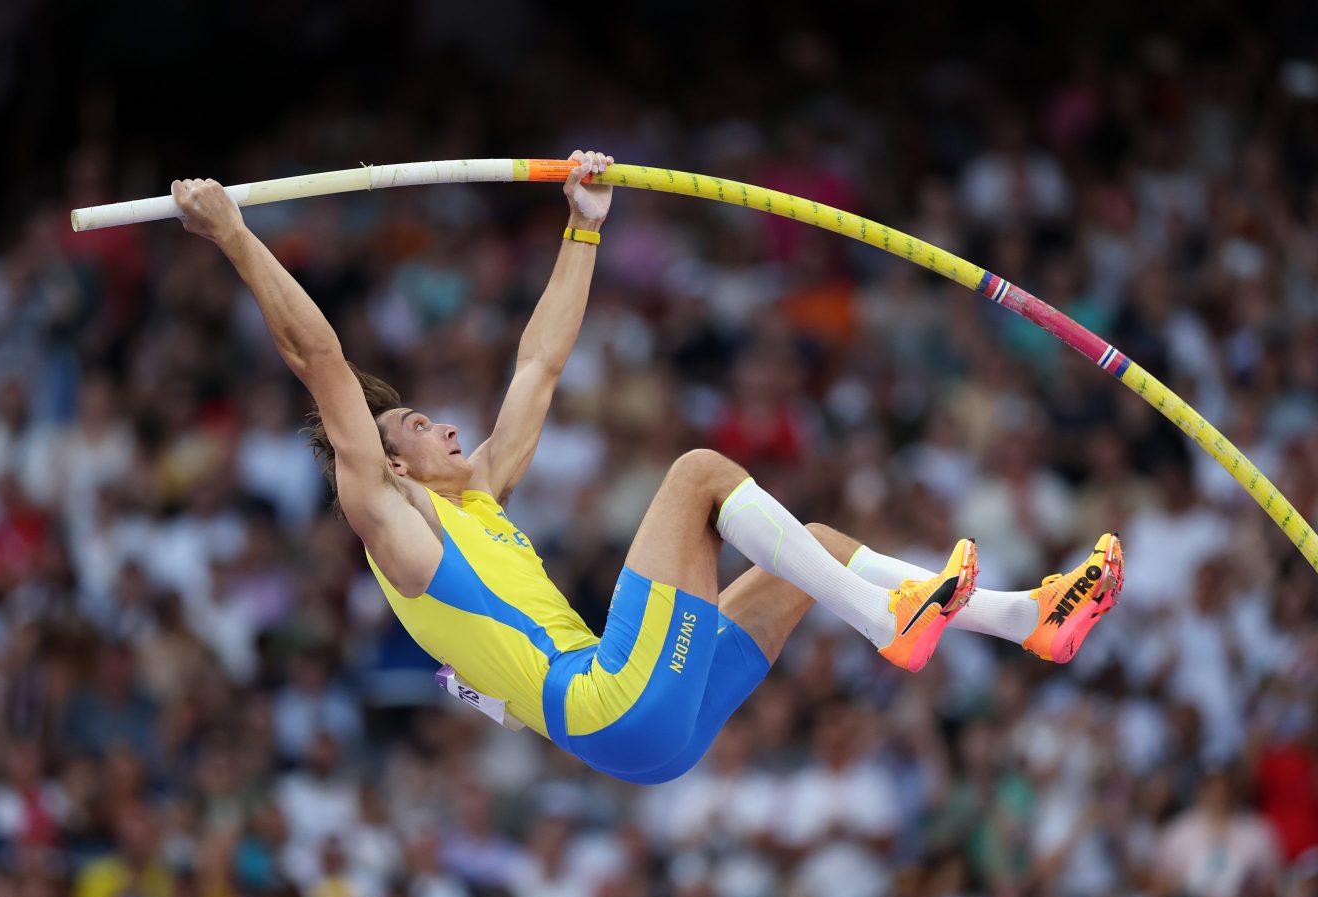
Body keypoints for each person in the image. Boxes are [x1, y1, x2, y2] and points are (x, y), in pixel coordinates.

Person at [168, 149, 1124, 785]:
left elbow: (539, 363)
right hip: (609, 698)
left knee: (814, 552)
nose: (445, 427)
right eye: (417, 425)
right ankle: (886, 622)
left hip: (647, 731)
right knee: (700, 473)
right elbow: (319, 360)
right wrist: (237, 237)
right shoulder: (395, 524)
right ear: (393, 466)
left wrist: (584, 224)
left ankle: (1023, 620)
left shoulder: (484, 495)